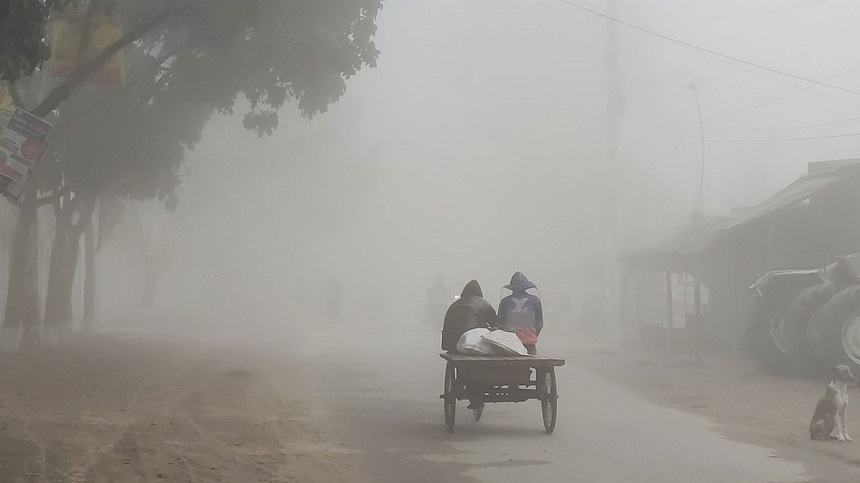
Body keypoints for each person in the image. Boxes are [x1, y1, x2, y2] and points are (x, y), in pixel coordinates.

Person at [441, 279, 498, 411]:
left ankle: (467, 387)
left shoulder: (454, 305)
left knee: (464, 366)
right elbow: (497, 324)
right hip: (474, 344)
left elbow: (446, 328)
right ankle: (479, 392)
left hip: (456, 345)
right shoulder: (484, 304)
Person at [497, 271, 543, 355]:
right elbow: (539, 324)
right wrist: (530, 335)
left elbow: (500, 323)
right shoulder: (535, 300)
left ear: (512, 288)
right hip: (529, 343)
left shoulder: (505, 301)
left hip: (509, 343)